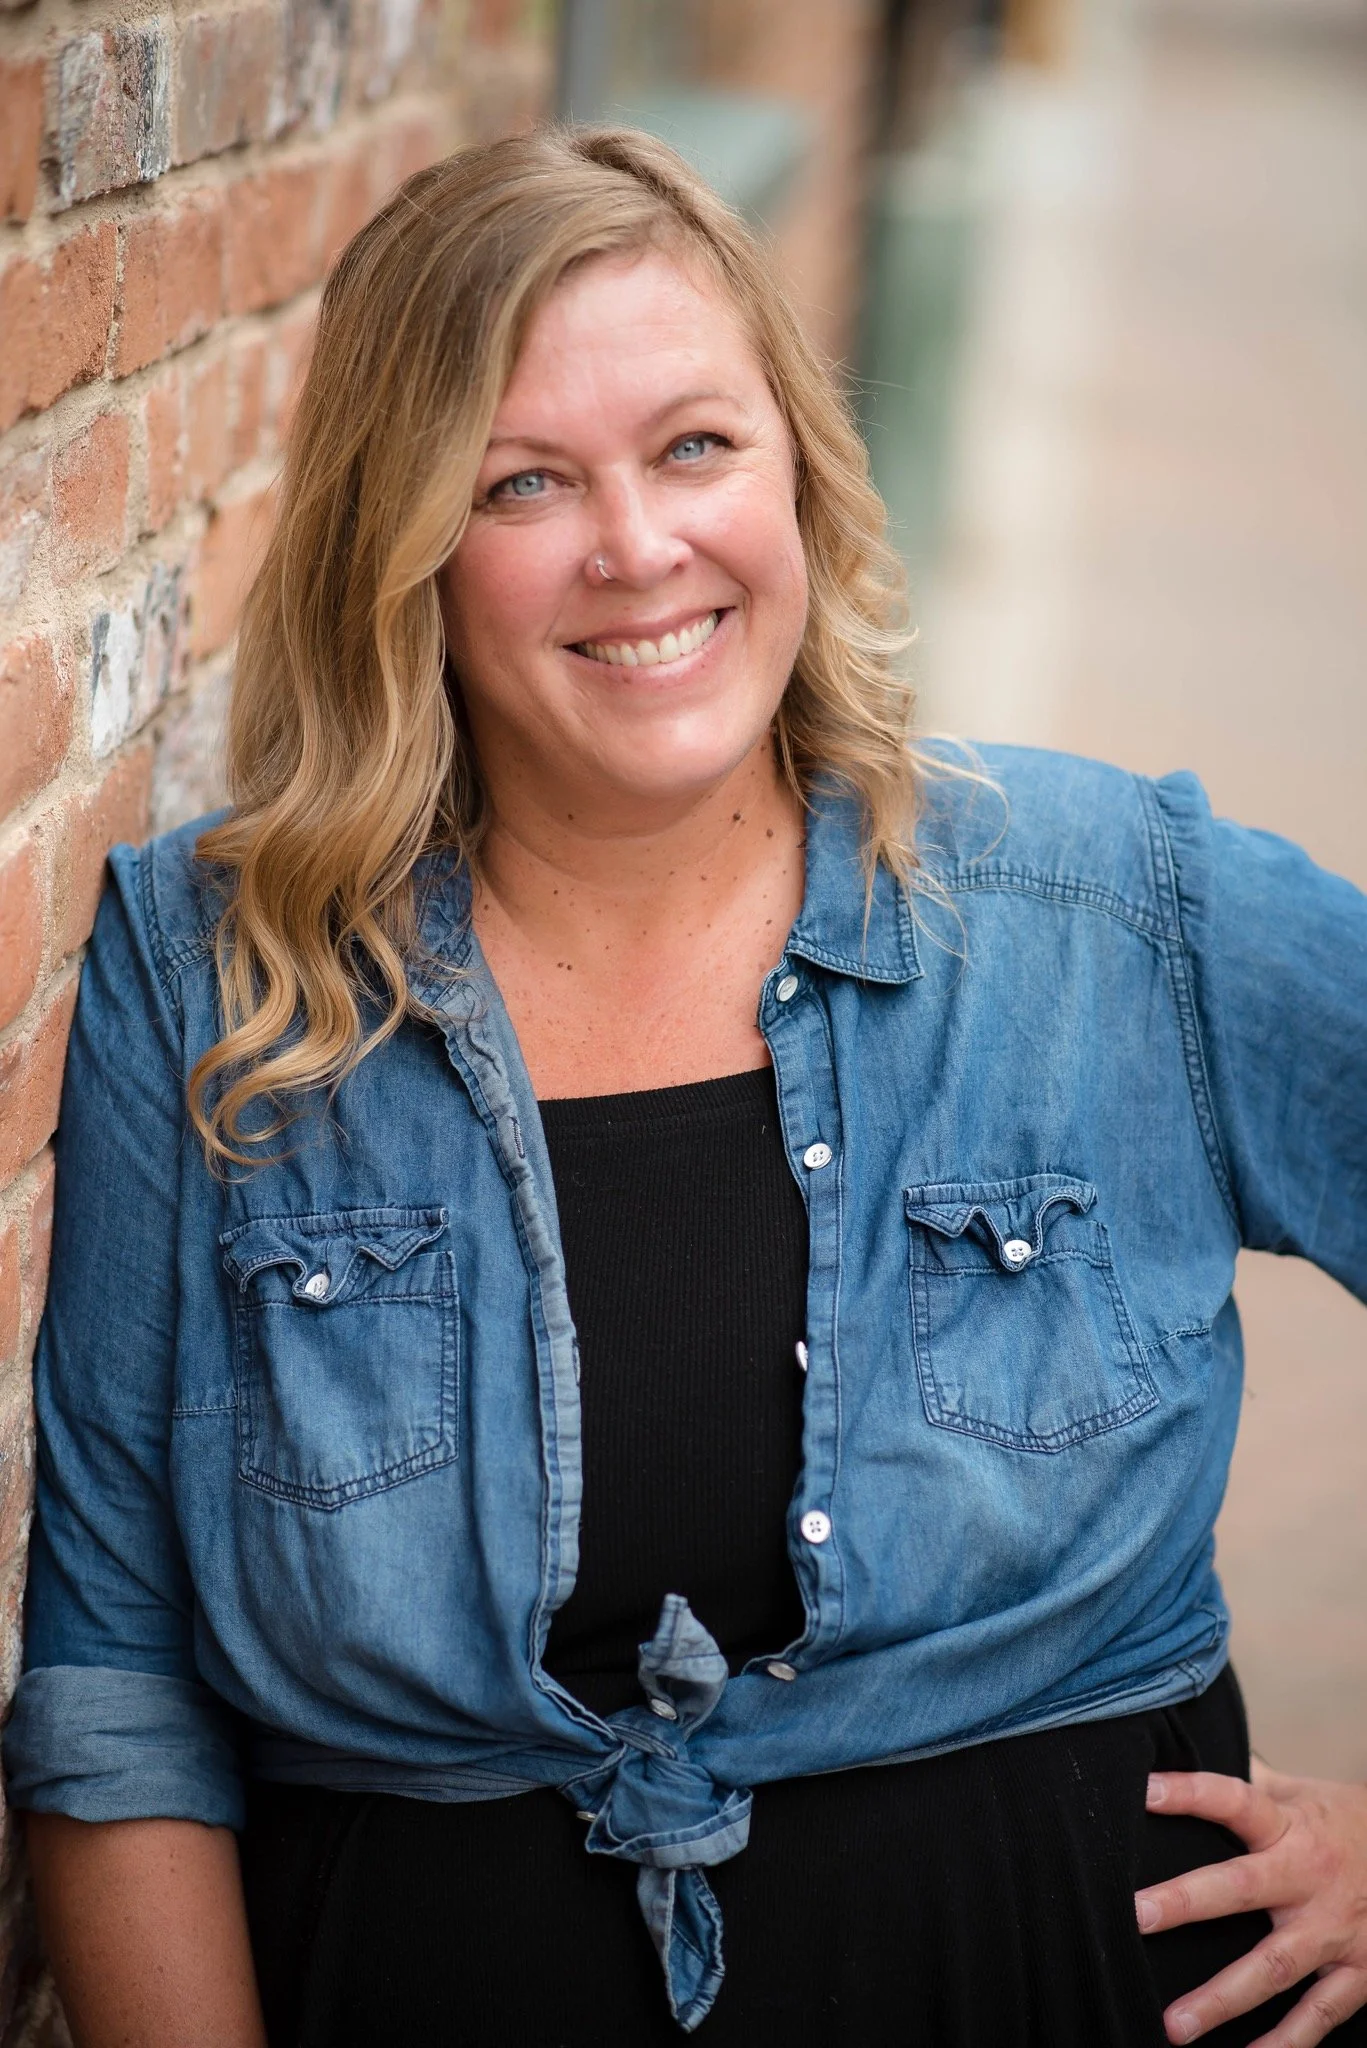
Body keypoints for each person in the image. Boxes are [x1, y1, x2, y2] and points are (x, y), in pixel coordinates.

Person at [6, 125, 1366, 2048]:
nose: (636, 545)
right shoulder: (218, 983)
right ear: (403, 548)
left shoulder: (1110, 909)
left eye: (696, 446)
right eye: (524, 481)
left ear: (799, 466)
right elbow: (119, 1685)